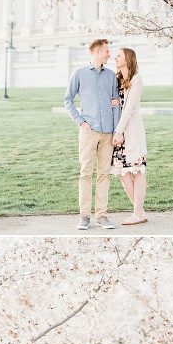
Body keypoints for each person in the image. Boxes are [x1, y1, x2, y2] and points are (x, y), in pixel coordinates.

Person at [64, 39, 120, 230]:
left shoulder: (112, 76)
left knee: (104, 174)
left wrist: (116, 130)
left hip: (107, 133)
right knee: (85, 173)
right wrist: (80, 121)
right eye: (106, 51)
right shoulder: (79, 74)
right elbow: (68, 100)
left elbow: (116, 103)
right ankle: (84, 216)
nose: (109, 54)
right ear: (96, 52)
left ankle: (102, 215)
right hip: (88, 132)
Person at [112, 48, 148, 225]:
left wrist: (119, 131)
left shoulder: (136, 80)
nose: (115, 58)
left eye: (118, 55)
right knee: (122, 172)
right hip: (117, 134)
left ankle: (137, 213)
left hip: (130, 132)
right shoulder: (116, 80)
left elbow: (130, 109)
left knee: (137, 170)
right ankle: (139, 212)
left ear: (128, 58)